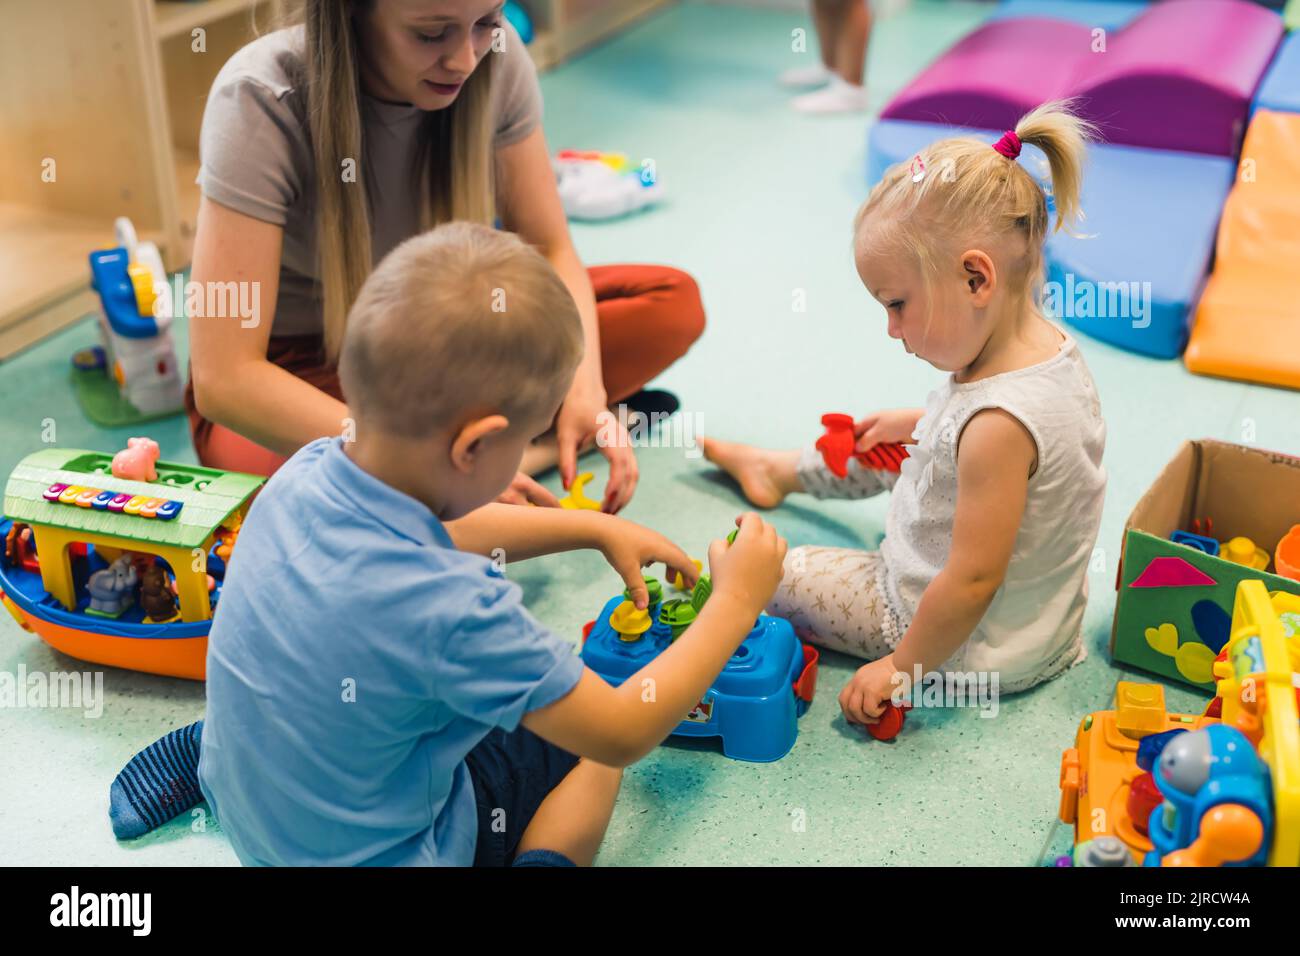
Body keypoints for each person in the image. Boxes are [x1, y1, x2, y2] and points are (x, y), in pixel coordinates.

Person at [110, 223, 788, 866]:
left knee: (341, 672)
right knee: (582, 749)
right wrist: (734, 602)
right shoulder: (457, 609)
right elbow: (618, 730)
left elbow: (441, 533)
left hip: (265, 812)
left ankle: (219, 751)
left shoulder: (304, 471)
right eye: (524, 440)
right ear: (476, 446)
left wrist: (594, 527)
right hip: (391, 853)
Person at [188, 0, 706, 512]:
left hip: (443, 339)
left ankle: (466, 471)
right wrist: (405, 457)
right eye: (431, 34)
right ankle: (511, 457)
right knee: (283, 490)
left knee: (667, 305)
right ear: (352, 12)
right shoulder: (259, 98)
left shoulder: (496, 56)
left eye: (486, 22)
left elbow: (549, 248)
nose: (464, 60)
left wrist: (584, 390)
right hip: (298, 367)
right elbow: (226, 379)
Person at [704, 102, 1107, 727]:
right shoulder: (1043, 352)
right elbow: (1005, 455)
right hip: (1036, 625)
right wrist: (921, 423)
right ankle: (779, 471)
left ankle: (771, 520)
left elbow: (971, 582)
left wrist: (902, 666)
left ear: (976, 278)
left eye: (896, 304)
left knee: (761, 570)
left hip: (959, 644)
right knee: (887, 445)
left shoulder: (997, 429)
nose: (891, 329)